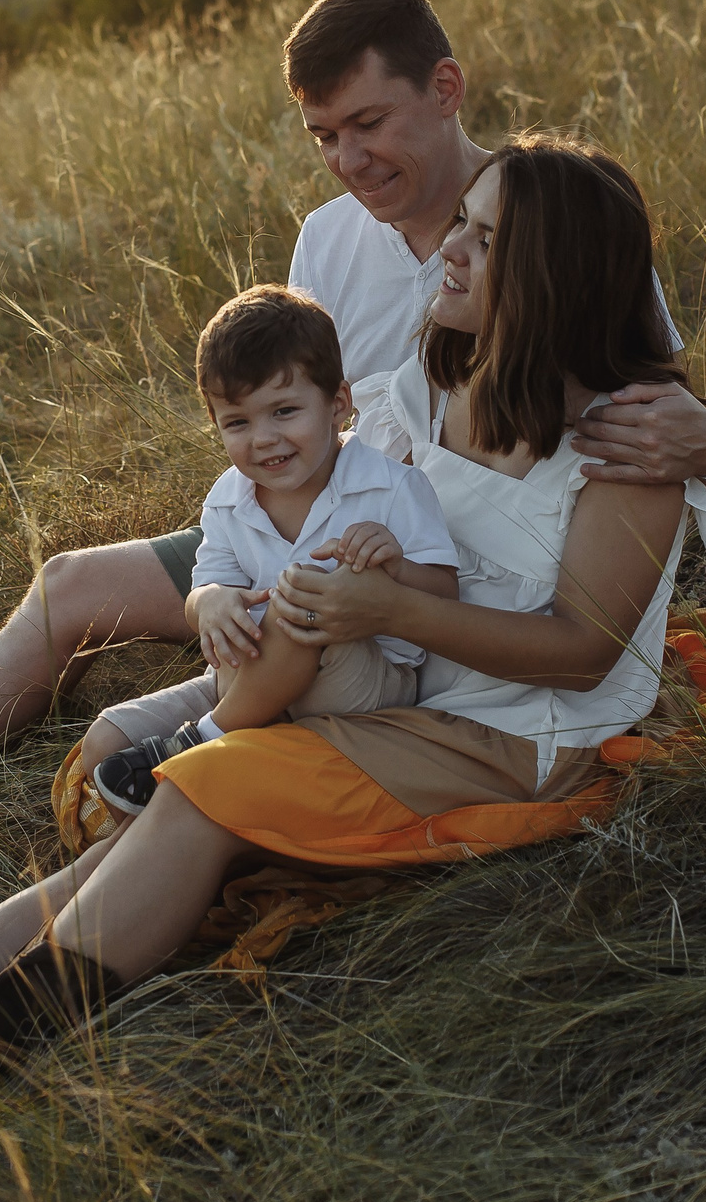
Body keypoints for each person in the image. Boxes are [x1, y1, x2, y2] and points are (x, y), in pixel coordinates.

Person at [0, 134, 706, 1107]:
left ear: (546, 278)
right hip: (398, 692)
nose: (450, 252)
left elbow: (583, 656)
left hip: (515, 744)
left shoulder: (628, 454)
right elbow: (333, 517)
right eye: (464, 229)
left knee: (199, 795)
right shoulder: (441, 384)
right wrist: (242, 607)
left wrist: (386, 606)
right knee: (100, 860)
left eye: (481, 243)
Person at [0, 0, 706, 855]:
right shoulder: (329, 240)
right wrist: (231, 563)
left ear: (444, 89)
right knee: (74, 582)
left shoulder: (549, 224)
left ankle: (191, 770)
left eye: (369, 122)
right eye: (322, 135)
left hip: (442, 577)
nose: (350, 160)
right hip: (319, 522)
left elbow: (643, 410)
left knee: (253, 669)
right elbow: (292, 414)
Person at [87, 283, 458, 816]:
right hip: (252, 678)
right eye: (237, 422)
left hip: (360, 685)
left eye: (284, 411)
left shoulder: (393, 488)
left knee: (302, 600)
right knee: (106, 740)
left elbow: (446, 592)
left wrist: (396, 567)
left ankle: (206, 740)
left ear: (338, 404)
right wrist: (210, 602)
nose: (262, 438)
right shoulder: (229, 499)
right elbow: (203, 591)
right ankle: (149, 847)